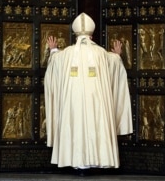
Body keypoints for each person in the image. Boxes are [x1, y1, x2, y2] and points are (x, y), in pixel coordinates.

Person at [44, 12, 133, 171]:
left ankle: (76, 161)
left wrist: (53, 50)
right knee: (97, 120)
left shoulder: (66, 54)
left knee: (74, 122)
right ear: (91, 36)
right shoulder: (101, 53)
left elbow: (54, 63)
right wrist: (118, 55)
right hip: (96, 99)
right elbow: (114, 64)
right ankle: (98, 159)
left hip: (73, 100)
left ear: (75, 35)